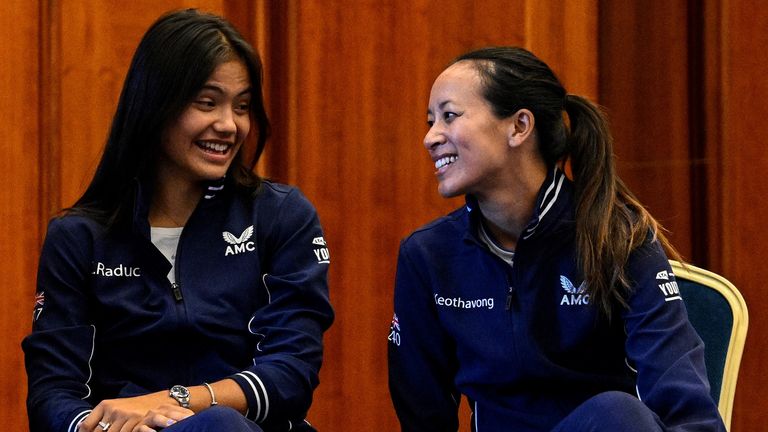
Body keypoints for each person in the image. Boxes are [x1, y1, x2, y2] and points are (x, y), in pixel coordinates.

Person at [22, 9, 334, 432]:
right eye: (207, 102)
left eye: (242, 106)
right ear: (156, 104)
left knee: (220, 426)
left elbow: (291, 374)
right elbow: (52, 394)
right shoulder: (78, 238)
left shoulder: (281, 215)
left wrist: (177, 401)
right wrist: (111, 426)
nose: (229, 125)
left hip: (244, 429)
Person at [388, 46, 725, 432]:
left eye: (449, 116)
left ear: (519, 126)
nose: (431, 137)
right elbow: (423, 417)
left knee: (618, 414)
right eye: (431, 121)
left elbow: (687, 407)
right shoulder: (428, 255)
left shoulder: (617, 234)